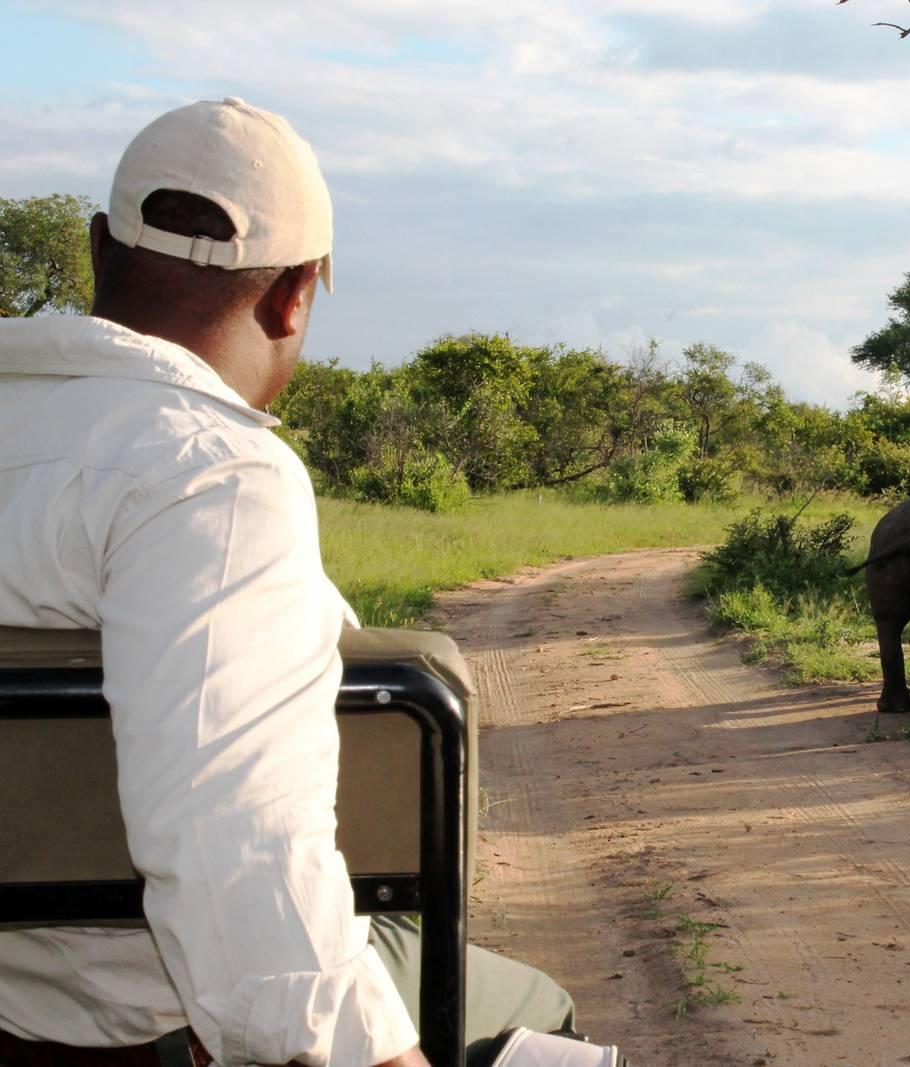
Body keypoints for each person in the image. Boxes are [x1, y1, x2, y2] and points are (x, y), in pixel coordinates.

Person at [0, 99, 622, 1067]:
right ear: (296, 294)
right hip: (140, 1022)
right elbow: (233, 840)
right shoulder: (208, 473)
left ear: (95, 248)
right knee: (541, 1005)